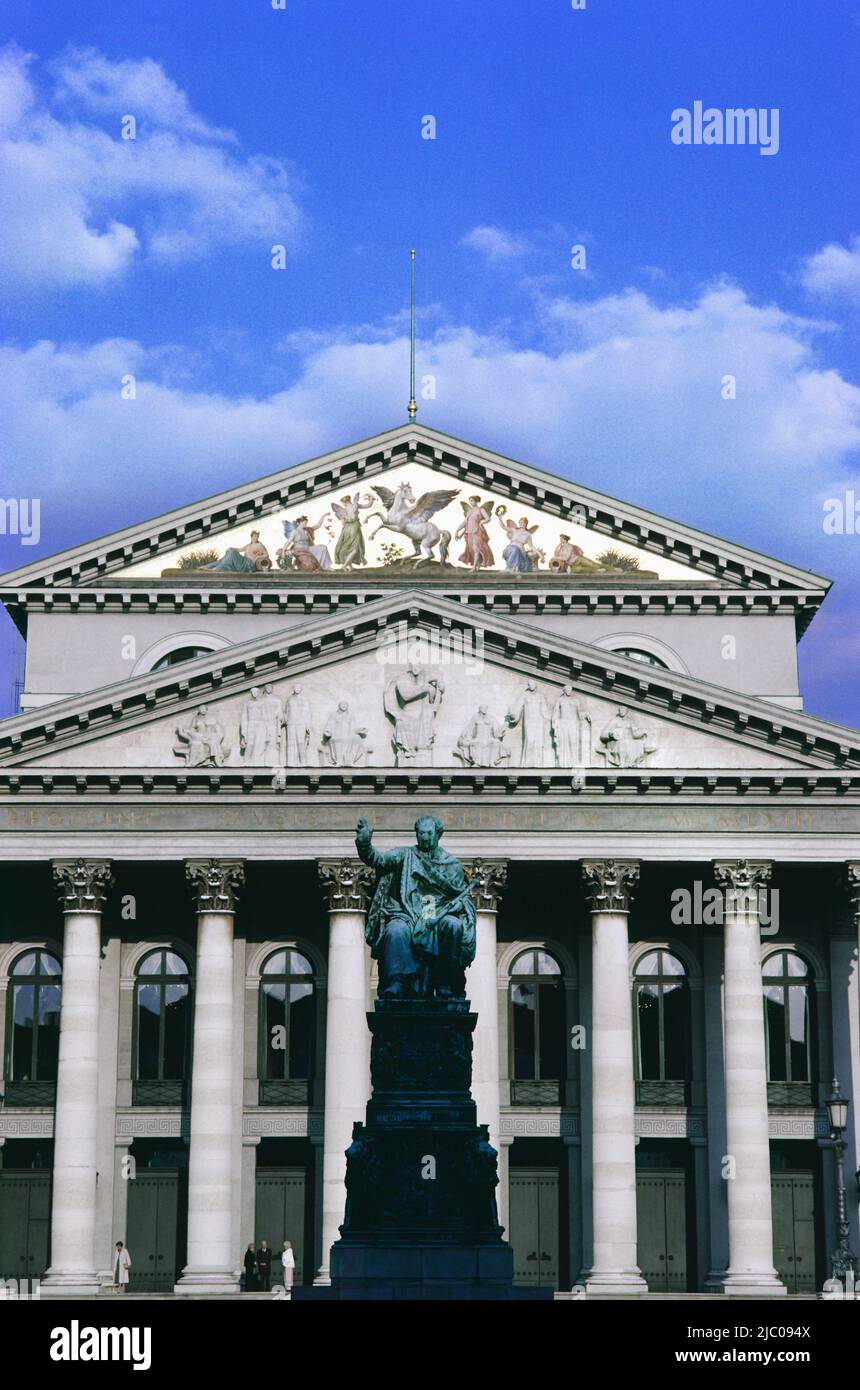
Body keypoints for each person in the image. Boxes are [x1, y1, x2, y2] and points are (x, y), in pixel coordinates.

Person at [355, 814, 476, 999]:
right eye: (420, 833)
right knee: (395, 930)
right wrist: (364, 845)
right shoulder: (404, 855)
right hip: (407, 912)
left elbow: (463, 899)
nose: (424, 837)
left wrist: (456, 906)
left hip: (437, 913)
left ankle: (446, 982)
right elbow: (377, 859)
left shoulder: (451, 865)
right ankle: (397, 982)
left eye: (428, 833)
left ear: (438, 835)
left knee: (454, 926)